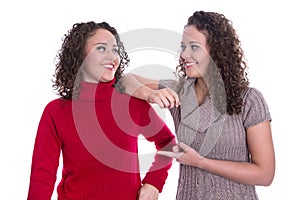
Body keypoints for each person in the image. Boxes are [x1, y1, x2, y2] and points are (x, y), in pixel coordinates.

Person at [120, 11, 275, 199]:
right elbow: (126, 80)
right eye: (183, 47)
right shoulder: (179, 90)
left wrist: (201, 162)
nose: (184, 54)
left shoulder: (249, 99)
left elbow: (265, 174)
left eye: (194, 47)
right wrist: (151, 94)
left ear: (217, 51)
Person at [27, 21, 176, 200]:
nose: (112, 57)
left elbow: (168, 142)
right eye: (101, 48)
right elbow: (42, 175)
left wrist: (154, 183)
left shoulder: (131, 102)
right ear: (79, 55)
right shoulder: (56, 112)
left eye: (115, 50)